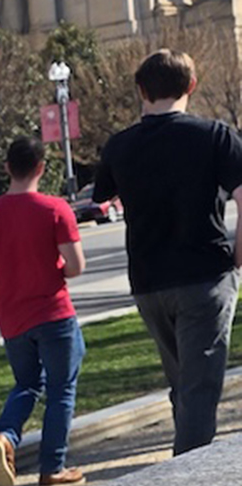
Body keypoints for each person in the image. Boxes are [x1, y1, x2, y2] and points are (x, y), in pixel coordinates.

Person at [93, 48, 242, 456]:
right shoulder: (216, 136)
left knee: (182, 384)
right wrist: (238, 255)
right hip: (203, 274)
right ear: (191, 86)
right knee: (199, 388)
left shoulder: (119, 146)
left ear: (141, 89)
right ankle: (185, 485)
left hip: (148, 281)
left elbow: (100, 198)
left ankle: (184, 470)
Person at [0, 135, 88, 486]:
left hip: (12, 318)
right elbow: (76, 265)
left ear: (7, 168)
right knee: (61, 389)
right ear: (41, 168)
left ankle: (6, 436)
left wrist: (6, 276)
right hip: (53, 313)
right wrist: (51, 272)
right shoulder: (55, 209)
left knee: (27, 384)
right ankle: (53, 467)